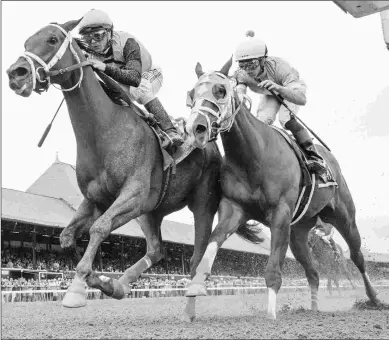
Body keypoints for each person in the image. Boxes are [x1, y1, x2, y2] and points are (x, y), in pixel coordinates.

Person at [77, 9, 184, 150]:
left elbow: (134, 78)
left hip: (149, 74)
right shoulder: (90, 55)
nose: (93, 43)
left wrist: (104, 67)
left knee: (139, 89)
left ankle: (170, 130)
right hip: (123, 83)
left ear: (109, 32)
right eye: (87, 39)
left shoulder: (127, 41)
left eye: (97, 36)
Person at [233, 31, 327, 176]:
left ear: (263, 60)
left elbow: (301, 99)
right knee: (261, 122)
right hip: (269, 93)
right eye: (243, 65)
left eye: (252, 64)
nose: (248, 70)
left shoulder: (280, 67)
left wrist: (278, 88)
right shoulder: (241, 74)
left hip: (290, 90)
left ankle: (313, 156)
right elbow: (240, 97)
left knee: (285, 119)